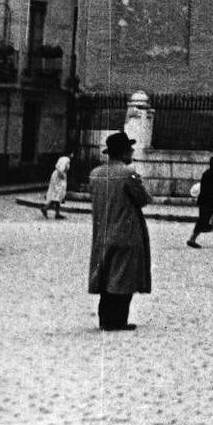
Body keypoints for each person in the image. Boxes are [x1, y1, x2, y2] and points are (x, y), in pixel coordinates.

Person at [88, 131, 151, 332]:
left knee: (106, 277)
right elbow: (143, 199)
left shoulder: (95, 174)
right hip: (126, 231)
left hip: (102, 230)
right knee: (124, 278)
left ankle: (104, 319)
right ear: (124, 152)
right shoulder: (128, 173)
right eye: (130, 148)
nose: (132, 151)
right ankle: (117, 321)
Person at [41, 155, 70, 219]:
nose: (68, 165)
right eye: (68, 163)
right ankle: (45, 208)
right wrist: (63, 176)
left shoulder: (57, 171)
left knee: (58, 198)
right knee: (56, 197)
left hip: (57, 179)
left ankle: (57, 214)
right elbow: (61, 172)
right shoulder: (60, 172)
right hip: (58, 181)